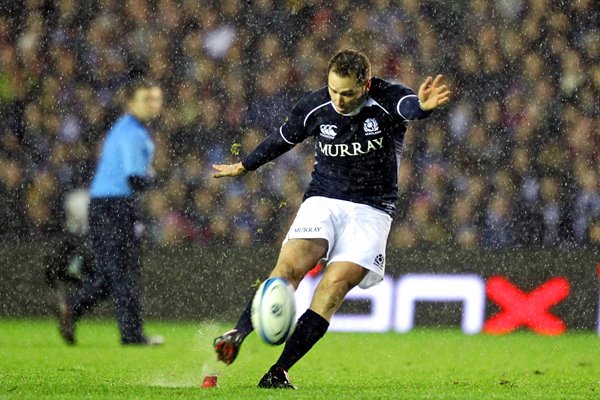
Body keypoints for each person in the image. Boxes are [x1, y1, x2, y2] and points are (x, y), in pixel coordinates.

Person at [212, 49, 451, 388]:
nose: (339, 99)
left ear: (366, 85)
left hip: (372, 210)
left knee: (333, 289)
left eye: (348, 93)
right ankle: (238, 333)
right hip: (324, 199)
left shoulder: (386, 98)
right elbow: (284, 137)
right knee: (289, 269)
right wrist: (246, 164)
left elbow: (409, 106)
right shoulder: (315, 105)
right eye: (334, 90)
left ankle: (278, 371)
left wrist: (423, 107)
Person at [58, 79, 164, 346]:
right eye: (146, 99)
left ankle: (73, 306)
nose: (152, 105)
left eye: (155, 99)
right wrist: (156, 179)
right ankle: (130, 335)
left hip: (106, 204)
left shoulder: (126, 129)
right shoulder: (133, 132)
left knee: (113, 273)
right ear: (130, 103)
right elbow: (134, 179)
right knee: (123, 273)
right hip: (115, 206)